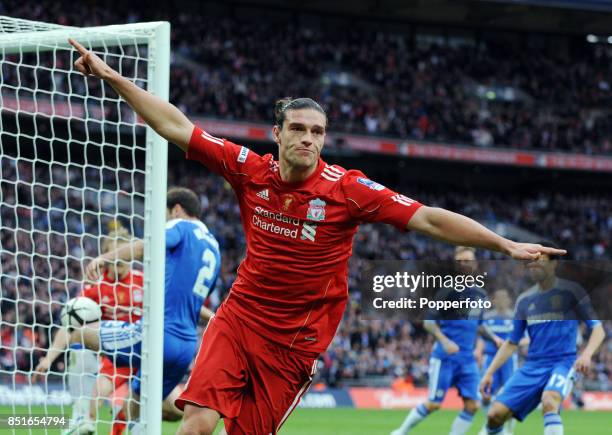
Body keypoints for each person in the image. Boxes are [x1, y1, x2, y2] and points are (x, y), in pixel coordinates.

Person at [66, 38, 566, 435]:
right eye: (299, 128)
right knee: (196, 423)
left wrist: (503, 245)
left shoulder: (348, 189)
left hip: (295, 342)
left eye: (318, 131)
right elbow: (176, 126)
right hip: (238, 319)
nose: (309, 138)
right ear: (278, 133)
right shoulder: (249, 169)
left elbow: (429, 219)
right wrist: (111, 76)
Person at [35, 187, 220, 434]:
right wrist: (217, 319)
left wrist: (104, 258)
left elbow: (148, 245)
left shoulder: (181, 228)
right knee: (142, 409)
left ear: (176, 210)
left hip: (151, 338)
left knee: (77, 332)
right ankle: (118, 422)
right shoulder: (214, 248)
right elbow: (190, 302)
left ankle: (80, 419)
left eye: (166, 214)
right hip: (185, 346)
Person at [479, 251, 606, 435]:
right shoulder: (524, 300)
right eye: (531, 262)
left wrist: (586, 354)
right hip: (533, 366)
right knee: (494, 415)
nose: (533, 266)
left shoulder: (572, 292)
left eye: (540, 261)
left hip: (563, 362)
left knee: (550, 400)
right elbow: (511, 342)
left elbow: (598, 329)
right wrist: (489, 373)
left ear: (554, 264)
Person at [35, 223, 143, 435]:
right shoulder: (96, 287)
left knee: (147, 417)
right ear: (106, 257)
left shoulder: (144, 281)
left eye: (125, 256)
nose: (121, 262)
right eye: (116, 256)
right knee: (79, 350)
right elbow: (70, 324)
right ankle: (81, 414)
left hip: (145, 354)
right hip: (113, 355)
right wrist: (49, 358)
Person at [391, 246, 498, 435]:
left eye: (468, 261)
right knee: (433, 404)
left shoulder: (480, 294)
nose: (465, 264)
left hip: (467, 360)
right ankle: (400, 432)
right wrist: (445, 341)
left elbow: (478, 325)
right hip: (445, 358)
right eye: (461, 261)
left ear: (475, 264)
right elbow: (429, 323)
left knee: (473, 405)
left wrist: (495, 338)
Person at [476, 288, 524, 435]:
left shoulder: (514, 317)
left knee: (509, 395)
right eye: (498, 298)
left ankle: (509, 430)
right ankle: (489, 425)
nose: (501, 301)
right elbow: (482, 336)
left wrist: (512, 344)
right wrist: (478, 350)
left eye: (504, 298)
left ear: (509, 300)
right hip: (490, 359)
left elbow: (526, 337)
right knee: (485, 394)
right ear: (494, 300)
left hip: (509, 360)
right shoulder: (488, 317)